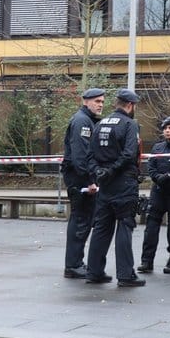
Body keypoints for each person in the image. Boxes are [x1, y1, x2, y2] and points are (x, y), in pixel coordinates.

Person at [85, 89, 145, 288]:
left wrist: (99, 173)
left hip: (105, 185)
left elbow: (89, 155)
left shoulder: (100, 123)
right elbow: (129, 154)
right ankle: (126, 274)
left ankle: (94, 272)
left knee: (102, 227)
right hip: (123, 183)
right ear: (130, 105)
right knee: (125, 226)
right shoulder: (130, 124)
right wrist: (111, 171)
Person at [61, 87, 106, 279]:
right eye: (97, 101)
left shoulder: (86, 120)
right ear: (85, 101)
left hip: (80, 177)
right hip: (80, 179)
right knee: (80, 221)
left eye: (102, 102)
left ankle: (76, 262)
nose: (100, 105)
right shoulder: (82, 122)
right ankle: (73, 265)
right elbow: (81, 156)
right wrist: (90, 180)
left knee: (83, 221)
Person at [139, 115, 170, 274]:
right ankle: (147, 260)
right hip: (158, 191)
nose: (167, 131)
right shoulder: (157, 148)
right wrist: (157, 177)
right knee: (151, 227)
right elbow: (151, 166)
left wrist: (168, 176)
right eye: (165, 128)